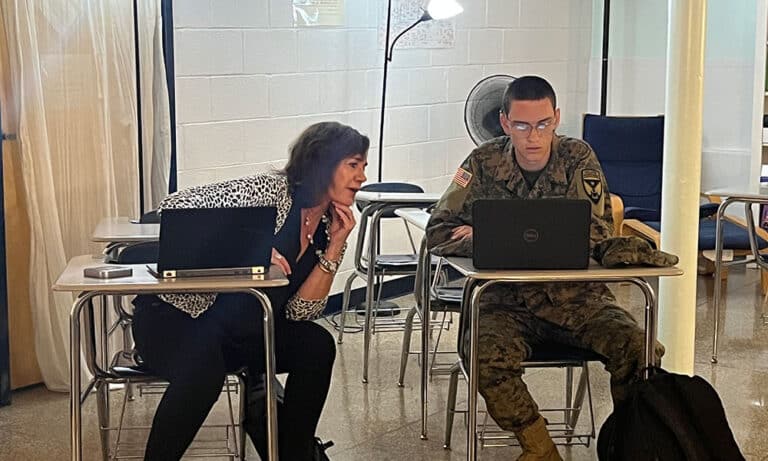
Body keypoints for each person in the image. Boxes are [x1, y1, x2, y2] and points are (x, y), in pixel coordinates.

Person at [426, 76, 675, 460]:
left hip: (577, 298)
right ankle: (539, 448)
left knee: (638, 348)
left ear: (556, 118)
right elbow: (438, 230)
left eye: (543, 124)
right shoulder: (481, 162)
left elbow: (597, 228)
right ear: (505, 122)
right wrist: (481, 236)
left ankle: (629, 442)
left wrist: (498, 231)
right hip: (504, 300)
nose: (533, 137)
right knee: (483, 353)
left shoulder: (578, 157)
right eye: (522, 125)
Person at [131, 121, 369, 461]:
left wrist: (334, 249)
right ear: (322, 162)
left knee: (317, 345)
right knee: (205, 374)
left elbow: (299, 312)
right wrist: (243, 249)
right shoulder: (269, 192)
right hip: (175, 320)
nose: (361, 177)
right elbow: (174, 205)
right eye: (353, 165)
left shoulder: (333, 225)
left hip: (240, 333)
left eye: (363, 167)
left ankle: (293, 454)